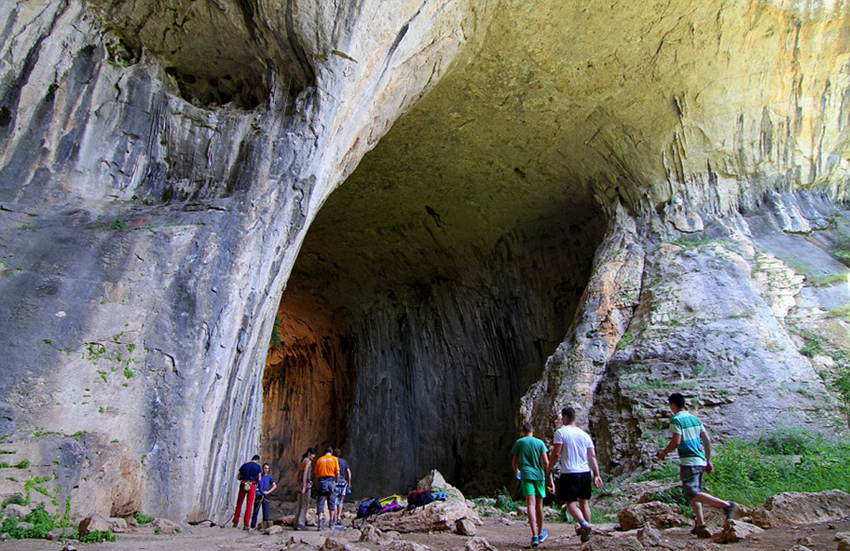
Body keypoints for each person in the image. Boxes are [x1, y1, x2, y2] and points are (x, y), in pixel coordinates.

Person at [656, 393, 738, 538]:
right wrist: (708, 460)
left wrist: (663, 453)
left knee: (691, 493)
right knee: (695, 494)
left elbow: (676, 441)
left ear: (673, 404)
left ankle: (727, 505)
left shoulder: (677, 420)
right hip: (700, 461)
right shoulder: (694, 419)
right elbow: (707, 441)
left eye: (670, 405)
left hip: (689, 462)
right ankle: (700, 525)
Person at [549, 406, 603, 542]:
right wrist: (597, 474)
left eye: (562, 417)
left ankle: (584, 524)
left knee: (570, 503)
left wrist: (549, 467)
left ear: (565, 417)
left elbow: (556, 453)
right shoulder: (585, 435)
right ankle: (587, 531)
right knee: (584, 502)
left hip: (570, 472)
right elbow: (592, 456)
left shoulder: (561, 432)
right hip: (585, 472)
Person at [511, 422, 550, 548]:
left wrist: (517, 471)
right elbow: (546, 462)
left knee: (530, 505)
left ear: (523, 432)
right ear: (533, 431)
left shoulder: (519, 443)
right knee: (539, 506)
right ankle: (540, 533)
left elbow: (514, 462)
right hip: (539, 476)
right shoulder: (540, 443)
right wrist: (549, 477)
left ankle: (534, 536)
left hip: (526, 475)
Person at [232, 454, 262, 530]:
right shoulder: (258, 467)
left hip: (243, 484)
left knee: (239, 503)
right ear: (257, 460)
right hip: (252, 485)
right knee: (249, 505)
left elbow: (239, 476)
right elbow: (259, 478)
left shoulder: (244, 465)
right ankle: (246, 524)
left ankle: (235, 522)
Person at [313, 446, 340, 531]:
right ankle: (331, 523)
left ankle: (320, 524)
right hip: (331, 481)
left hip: (322, 482)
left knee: (321, 503)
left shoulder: (319, 460)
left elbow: (316, 473)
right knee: (331, 503)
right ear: (331, 452)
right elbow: (337, 472)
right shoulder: (334, 459)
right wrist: (336, 481)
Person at [250, 463, 277, 528]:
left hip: (265, 496)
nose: (266, 470)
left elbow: (274, 485)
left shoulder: (269, 477)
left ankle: (265, 527)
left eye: (267, 468)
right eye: (265, 468)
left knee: (266, 513)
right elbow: (254, 483)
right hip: (259, 495)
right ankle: (252, 527)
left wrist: (268, 492)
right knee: (255, 512)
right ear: (262, 468)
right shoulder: (259, 476)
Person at [294, 447, 315, 531]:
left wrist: (298, 483)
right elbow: (305, 473)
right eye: (313, 454)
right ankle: (300, 523)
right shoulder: (308, 462)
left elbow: (298, 473)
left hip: (300, 483)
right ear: (309, 453)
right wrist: (305, 486)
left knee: (299, 503)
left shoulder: (302, 461)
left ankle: (296, 523)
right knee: (305, 504)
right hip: (305, 484)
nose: (314, 456)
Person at [331, 448, 352, 530]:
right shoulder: (344, 462)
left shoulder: (333, 461)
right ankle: (339, 517)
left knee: (334, 501)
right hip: (343, 482)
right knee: (340, 501)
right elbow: (349, 472)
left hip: (336, 482)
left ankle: (335, 519)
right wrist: (349, 483)